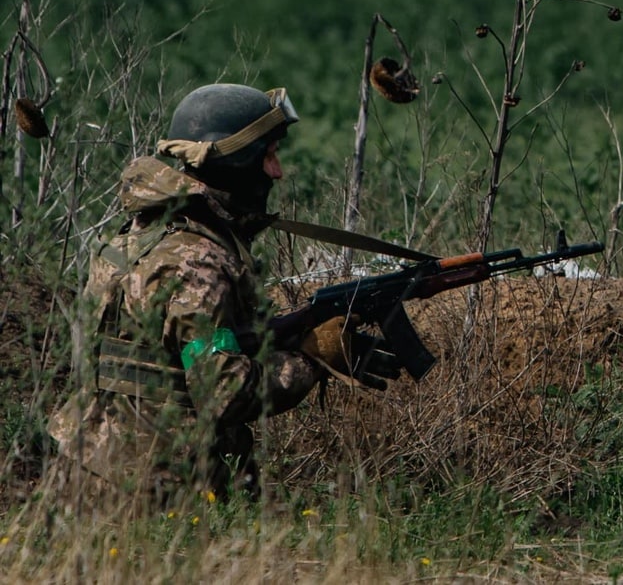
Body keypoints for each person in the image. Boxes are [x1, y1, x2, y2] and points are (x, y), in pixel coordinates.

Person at [45, 83, 399, 513]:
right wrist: (311, 357)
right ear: (237, 162)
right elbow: (224, 391)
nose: (277, 172)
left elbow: (183, 350)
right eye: (269, 156)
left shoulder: (141, 234)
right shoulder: (199, 262)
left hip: (86, 468)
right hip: (155, 493)